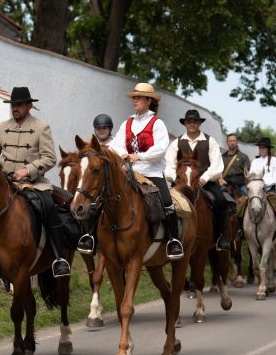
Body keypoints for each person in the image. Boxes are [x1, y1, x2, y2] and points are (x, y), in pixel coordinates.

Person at [0, 86, 71, 282]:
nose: (15, 108)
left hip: (33, 183)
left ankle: (59, 258)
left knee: (48, 206)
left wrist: (28, 171)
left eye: (19, 105)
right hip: (6, 183)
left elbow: (50, 158)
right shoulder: (2, 127)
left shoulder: (41, 127)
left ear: (29, 105)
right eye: (13, 105)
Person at [107, 83, 184, 260]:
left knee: (166, 201)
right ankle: (93, 237)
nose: (135, 100)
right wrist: (122, 155)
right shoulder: (127, 123)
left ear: (149, 101)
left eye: (139, 97)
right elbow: (115, 146)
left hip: (152, 173)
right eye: (134, 97)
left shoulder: (157, 124)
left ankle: (173, 240)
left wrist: (139, 156)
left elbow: (161, 149)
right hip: (128, 172)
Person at [164, 110, 231, 251]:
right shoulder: (176, 143)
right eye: (189, 121)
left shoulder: (209, 141)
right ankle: (172, 240)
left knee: (221, 201)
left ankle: (221, 237)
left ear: (200, 123)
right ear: (185, 123)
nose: (192, 124)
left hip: (205, 182)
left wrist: (205, 177)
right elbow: (169, 165)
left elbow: (217, 165)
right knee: (166, 204)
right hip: (181, 183)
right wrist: (176, 179)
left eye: (195, 121)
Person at [76, 113, 114, 255]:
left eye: (104, 128)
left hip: (112, 185)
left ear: (110, 129)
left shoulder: (117, 143)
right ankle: (89, 237)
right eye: (98, 128)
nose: (101, 130)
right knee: (92, 207)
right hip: (97, 184)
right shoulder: (90, 146)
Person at [240, 137, 276, 240]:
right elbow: (251, 176)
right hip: (256, 190)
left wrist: (263, 184)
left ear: (268, 149)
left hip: (269, 189)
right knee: (242, 205)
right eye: (260, 148)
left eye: (264, 148)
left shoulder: (274, 160)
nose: (262, 150)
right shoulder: (255, 161)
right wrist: (256, 185)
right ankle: (241, 230)